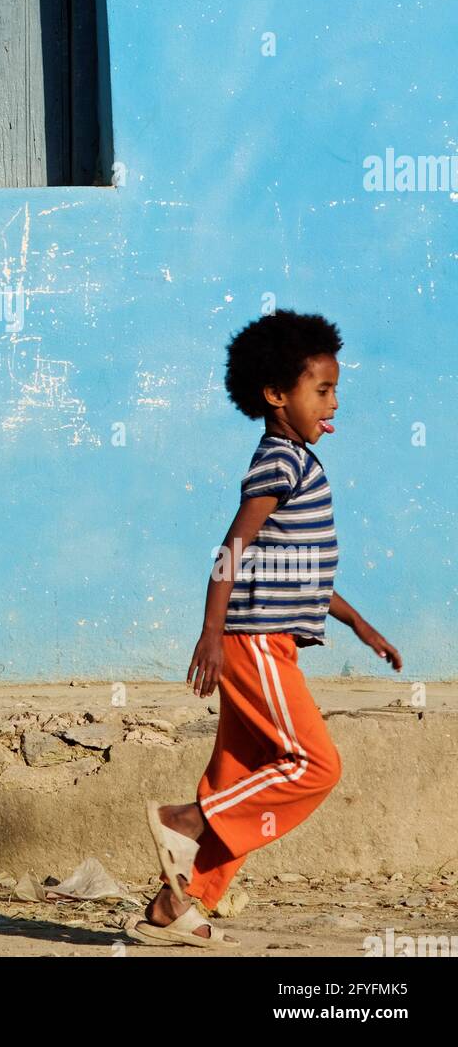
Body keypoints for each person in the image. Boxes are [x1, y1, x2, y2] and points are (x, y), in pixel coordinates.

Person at [131, 310, 401, 947]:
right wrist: (210, 631)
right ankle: (187, 820)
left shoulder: (298, 460)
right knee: (313, 765)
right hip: (253, 643)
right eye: (323, 390)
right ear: (277, 396)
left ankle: (177, 905)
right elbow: (233, 546)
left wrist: (358, 621)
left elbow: (296, 568)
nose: (334, 402)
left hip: (263, 639)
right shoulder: (279, 464)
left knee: (241, 776)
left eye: (336, 389)